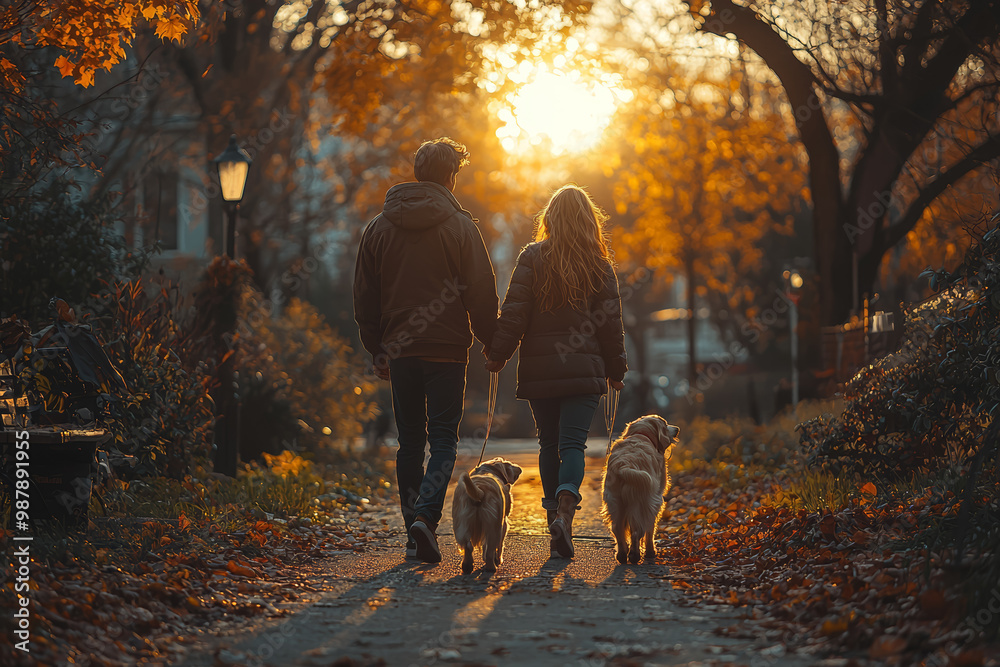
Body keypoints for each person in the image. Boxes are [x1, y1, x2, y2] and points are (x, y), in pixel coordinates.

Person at [354, 138, 498, 563]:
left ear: (418, 172)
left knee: (410, 442)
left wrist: (377, 347)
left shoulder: (379, 227)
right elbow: (481, 292)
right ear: (451, 176)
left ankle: (412, 528)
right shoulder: (461, 227)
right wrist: (493, 342)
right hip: (448, 350)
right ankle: (426, 520)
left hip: (400, 351)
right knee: (443, 440)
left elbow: (364, 296)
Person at [486, 185, 626, 558]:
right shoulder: (599, 263)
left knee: (548, 444)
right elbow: (610, 323)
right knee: (573, 445)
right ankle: (566, 511)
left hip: (540, 369)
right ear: (589, 221)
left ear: (549, 219)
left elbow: (515, 312)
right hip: (585, 369)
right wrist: (617, 369)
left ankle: (554, 520)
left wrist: (498, 354)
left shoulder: (533, 257)